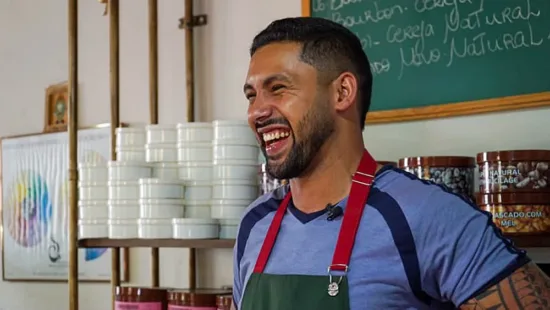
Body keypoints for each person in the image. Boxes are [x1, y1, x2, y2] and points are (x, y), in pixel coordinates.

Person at [232, 16, 550, 310]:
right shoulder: (254, 224)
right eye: (251, 96)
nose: (256, 112)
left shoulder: (425, 215)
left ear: (342, 92)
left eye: (278, 89)